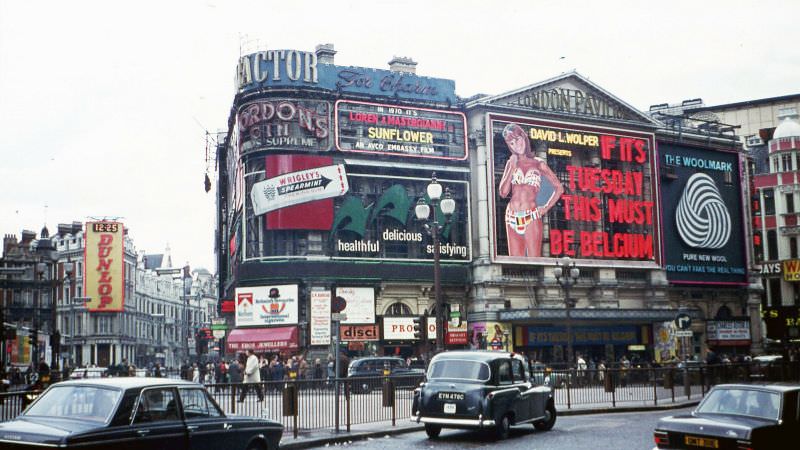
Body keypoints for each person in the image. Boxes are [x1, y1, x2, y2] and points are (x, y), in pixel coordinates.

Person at [498, 123, 564, 257]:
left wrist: (545, 208)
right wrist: (511, 167)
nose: (517, 144)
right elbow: (503, 193)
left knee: (534, 260)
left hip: (531, 216)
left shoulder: (538, 163)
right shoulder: (510, 164)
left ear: (524, 137)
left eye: (518, 139)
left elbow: (559, 188)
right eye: (512, 143)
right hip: (511, 216)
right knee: (516, 263)